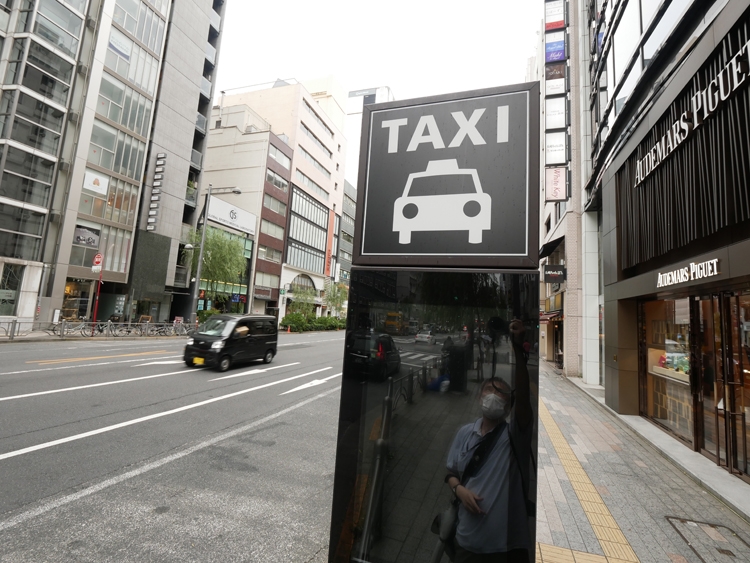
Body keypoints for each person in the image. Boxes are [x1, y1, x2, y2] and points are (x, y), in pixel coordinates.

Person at [444, 319, 533, 563]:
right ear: (479, 399)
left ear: (508, 407)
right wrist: (459, 490)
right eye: (488, 390)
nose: (493, 395)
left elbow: (524, 400)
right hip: (467, 543)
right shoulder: (465, 433)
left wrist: (518, 349)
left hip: (506, 550)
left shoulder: (514, 436)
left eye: (500, 392)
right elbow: (450, 473)